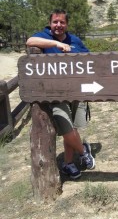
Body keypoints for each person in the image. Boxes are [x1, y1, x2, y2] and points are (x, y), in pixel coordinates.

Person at [26, 9, 95, 179]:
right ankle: (83, 150)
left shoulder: (75, 40)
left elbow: (90, 58)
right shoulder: (44, 36)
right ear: (50, 24)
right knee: (66, 127)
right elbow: (30, 41)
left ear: (67, 24)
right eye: (55, 22)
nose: (58, 25)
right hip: (55, 94)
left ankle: (68, 164)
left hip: (76, 91)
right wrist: (56, 45)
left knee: (73, 128)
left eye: (62, 22)